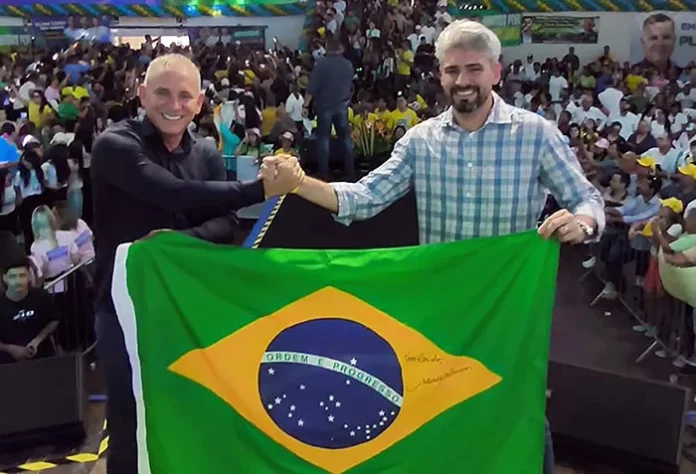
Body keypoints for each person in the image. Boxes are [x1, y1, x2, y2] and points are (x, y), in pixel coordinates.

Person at [262, 20, 605, 473]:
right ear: (440, 75)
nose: (463, 80)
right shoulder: (420, 141)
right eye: (452, 70)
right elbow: (364, 198)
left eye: (474, 69)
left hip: (508, 311)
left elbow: (587, 199)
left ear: (496, 71)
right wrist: (300, 183)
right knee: (443, 409)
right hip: (442, 311)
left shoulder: (536, 134)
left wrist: (582, 222)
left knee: (518, 407)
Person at [90, 53, 301, 474]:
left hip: (192, 310)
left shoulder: (205, 153)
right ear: (141, 94)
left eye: (185, 96)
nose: (175, 105)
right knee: (130, 423)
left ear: (200, 101)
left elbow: (225, 225)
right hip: (124, 311)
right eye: (163, 93)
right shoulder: (115, 145)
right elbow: (171, 193)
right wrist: (260, 189)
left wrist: (176, 245)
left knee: (194, 416)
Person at [304, 36, 354, 179]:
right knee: (345, 138)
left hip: (325, 105)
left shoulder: (321, 64)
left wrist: (305, 105)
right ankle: (350, 170)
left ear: (327, 48)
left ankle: (324, 173)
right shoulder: (348, 65)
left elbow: (311, 87)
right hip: (342, 104)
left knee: (323, 139)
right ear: (340, 48)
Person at [0, 257, 59, 364]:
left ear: (29, 277)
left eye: (22, 276)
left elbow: (53, 320)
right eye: (12, 277)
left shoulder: (42, 296)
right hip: (8, 363)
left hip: (43, 357)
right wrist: (10, 348)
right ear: (5, 279)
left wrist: (37, 340)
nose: (18, 281)